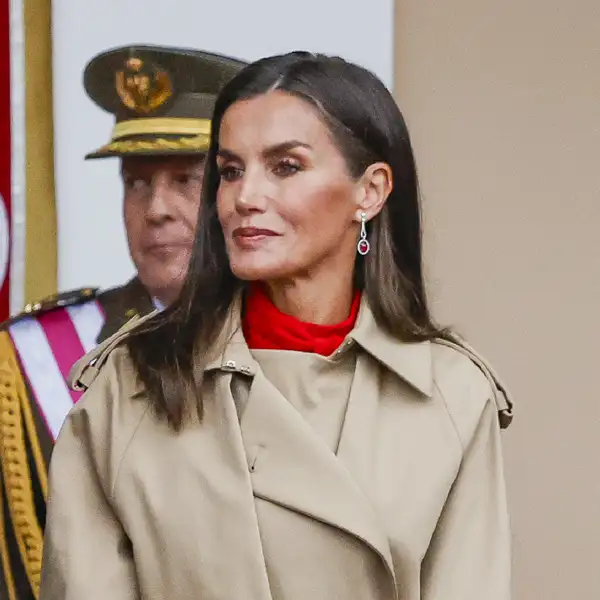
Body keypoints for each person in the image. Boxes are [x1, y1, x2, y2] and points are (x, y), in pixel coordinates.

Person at [40, 51, 515, 600]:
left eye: (285, 167)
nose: (245, 197)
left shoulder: (452, 393)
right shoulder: (129, 384)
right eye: (230, 171)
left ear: (371, 191)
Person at [0, 44, 245, 600]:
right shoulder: (36, 357)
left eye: (185, 179)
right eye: (135, 182)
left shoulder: (295, 339)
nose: (155, 208)